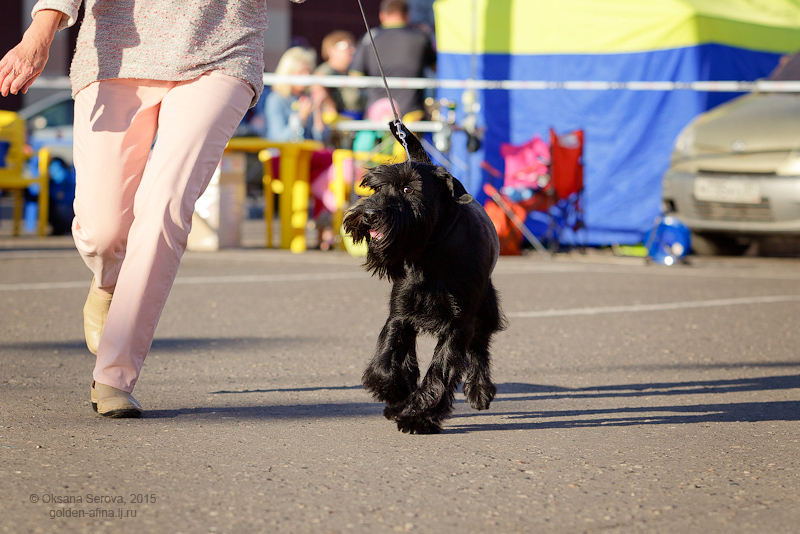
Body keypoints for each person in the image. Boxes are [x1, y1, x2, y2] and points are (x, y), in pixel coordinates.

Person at [0, 0, 306, 418]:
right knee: (104, 230)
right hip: (116, 52)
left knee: (166, 203)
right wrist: (41, 30)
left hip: (222, 50)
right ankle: (108, 282)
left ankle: (114, 375)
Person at [349, 0, 436, 118]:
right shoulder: (421, 37)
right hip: (412, 116)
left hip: (378, 115)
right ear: (407, 15)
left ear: (382, 15)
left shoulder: (369, 38)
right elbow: (437, 67)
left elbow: (355, 76)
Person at [265, 47, 333, 143]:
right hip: (283, 152)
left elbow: (322, 139)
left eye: (308, 71)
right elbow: (279, 139)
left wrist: (317, 109)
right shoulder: (276, 99)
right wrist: (301, 117)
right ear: (288, 72)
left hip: (307, 151)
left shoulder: (309, 97)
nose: (306, 76)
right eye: (301, 72)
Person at [314, 31, 364, 119]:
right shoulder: (326, 70)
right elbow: (317, 89)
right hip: (340, 120)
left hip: (357, 117)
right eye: (347, 46)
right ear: (331, 50)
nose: (353, 50)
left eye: (353, 46)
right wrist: (329, 106)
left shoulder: (351, 71)